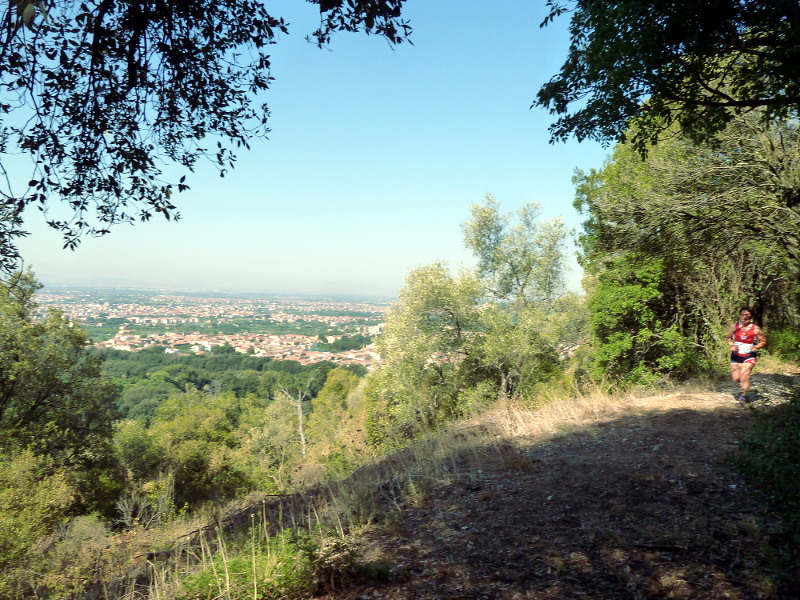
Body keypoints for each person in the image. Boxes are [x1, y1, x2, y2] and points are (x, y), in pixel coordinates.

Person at [726, 307, 766, 404]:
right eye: (743, 314)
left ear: (751, 317)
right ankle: (745, 387)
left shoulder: (755, 329)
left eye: (747, 315)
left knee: (744, 376)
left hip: (749, 355)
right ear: (740, 316)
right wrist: (732, 345)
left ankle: (743, 396)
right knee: (736, 378)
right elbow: (728, 338)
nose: (745, 317)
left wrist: (756, 347)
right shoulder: (734, 326)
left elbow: (763, 341)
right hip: (736, 354)